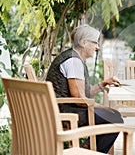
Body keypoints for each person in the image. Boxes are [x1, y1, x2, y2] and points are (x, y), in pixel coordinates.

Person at [46, 24, 123, 153]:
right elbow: (78, 99)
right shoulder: (73, 61)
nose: (97, 47)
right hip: (66, 113)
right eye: (95, 43)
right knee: (114, 118)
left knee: (113, 116)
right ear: (83, 42)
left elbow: (83, 94)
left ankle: (87, 149)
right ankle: (90, 151)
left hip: (63, 109)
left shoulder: (74, 58)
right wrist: (104, 108)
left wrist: (103, 84)